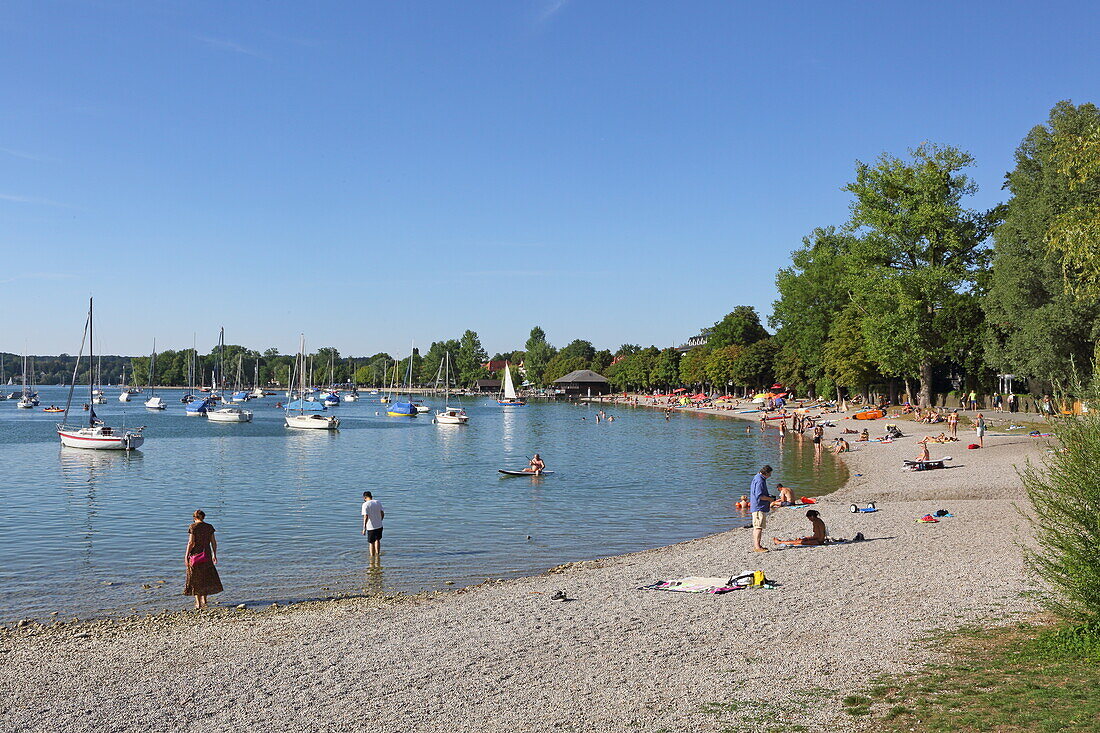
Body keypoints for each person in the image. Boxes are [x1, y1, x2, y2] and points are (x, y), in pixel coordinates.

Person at [184, 509, 223, 610]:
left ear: (194, 518)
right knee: (205, 576)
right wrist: (215, 555)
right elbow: (213, 542)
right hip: (207, 555)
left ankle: (198, 603)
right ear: (204, 517)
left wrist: (186, 555)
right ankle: (204, 600)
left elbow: (191, 543)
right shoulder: (209, 527)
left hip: (195, 556)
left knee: (195, 577)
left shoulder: (193, 527)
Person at [749, 465, 775, 553]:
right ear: (766, 473)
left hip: (757, 506)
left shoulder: (757, 478)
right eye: (770, 474)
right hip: (758, 507)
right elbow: (759, 496)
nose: (770, 476)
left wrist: (769, 496)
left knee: (758, 527)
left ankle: (758, 545)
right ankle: (757, 547)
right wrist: (770, 499)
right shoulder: (760, 480)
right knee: (758, 527)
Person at [361, 491, 385, 556]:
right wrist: (380, 520)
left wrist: (364, 528)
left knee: (371, 543)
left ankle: (372, 557)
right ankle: (378, 555)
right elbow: (382, 513)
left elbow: (366, 516)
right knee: (377, 540)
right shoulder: (378, 502)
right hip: (379, 525)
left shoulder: (365, 504)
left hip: (370, 526)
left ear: (365, 498)